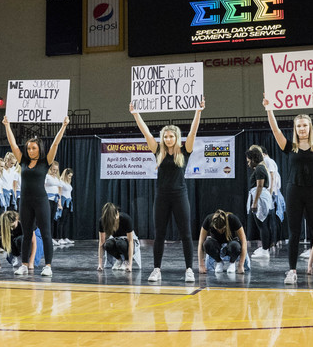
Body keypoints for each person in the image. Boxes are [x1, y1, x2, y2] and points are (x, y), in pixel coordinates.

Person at [263, 91, 313, 285]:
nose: (302, 128)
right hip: (294, 191)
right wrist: (269, 109)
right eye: (299, 126)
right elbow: (276, 130)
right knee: (294, 233)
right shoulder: (290, 146)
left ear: (310, 127)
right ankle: (292, 271)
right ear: (295, 129)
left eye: (305, 125)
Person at [130, 96, 204, 283]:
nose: (168, 139)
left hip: (180, 195)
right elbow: (146, 132)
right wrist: (136, 114)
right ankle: (156, 269)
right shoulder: (158, 151)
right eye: (165, 136)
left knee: (186, 234)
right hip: (162, 196)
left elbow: (193, 131)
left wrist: (198, 112)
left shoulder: (184, 150)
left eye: (171, 136)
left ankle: (189, 269)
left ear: (176, 137)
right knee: (159, 234)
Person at [2, 114, 70, 277]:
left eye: (33, 148)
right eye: (28, 148)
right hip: (25, 202)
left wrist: (63, 126)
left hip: (41, 201)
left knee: (46, 234)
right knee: (26, 235)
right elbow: (12, 144)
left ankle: (48, 266)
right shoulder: (23, 161)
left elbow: (55, 143)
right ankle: (24, 265)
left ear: (39, 148)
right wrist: (7, 125)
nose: (30, 150)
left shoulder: (45, 162)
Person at [198, 209, 248, 275]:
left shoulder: (233, 219)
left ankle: (232, 262)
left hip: (231, 246)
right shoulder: (208, 219)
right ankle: (219, 262)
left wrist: (241, 265)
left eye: (222, 230)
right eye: (217, 230)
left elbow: (244, 241)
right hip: (217, 245)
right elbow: (200, 242)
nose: (220, 232)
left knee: (235, 246)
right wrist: (201, 265)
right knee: (206, 244)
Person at [246, 148, 273, 259]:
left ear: (253, 159)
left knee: (262, 225)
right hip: (261, 196)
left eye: (249, 161)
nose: (248, 164)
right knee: (262, 224)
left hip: (260, 198)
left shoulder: (259, 169)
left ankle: (265, 250)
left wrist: (255, 202)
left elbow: (260, 186)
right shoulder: (261, 168)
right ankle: (265, 248)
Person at [97, 203, 136, 271]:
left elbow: (131, 241)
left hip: (127, 242)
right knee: (107, 245)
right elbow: (101, 243)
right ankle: (119, 260)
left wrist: (130, 265)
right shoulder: (102, 221)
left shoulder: (125, 219)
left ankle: (126, 260)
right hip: (116, 240)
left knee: (119, 243)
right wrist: (100, 265)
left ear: (117, 213)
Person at [45, 161, 64, 246]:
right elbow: (42, 187)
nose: (55, 171)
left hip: (55, 200)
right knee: (47, 219)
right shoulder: (47, 176)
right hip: (48, 200)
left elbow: (59, 191)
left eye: (56, 170)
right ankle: (46, 238)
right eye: (53, 169)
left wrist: (59, 203)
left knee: (52, 219)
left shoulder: (57, 178)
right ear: (50, 169)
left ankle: (51, 238)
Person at [58, 168, 74, 245]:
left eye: (71, 176)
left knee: (66, 221)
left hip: (68, 202)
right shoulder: (61, 182)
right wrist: (59, 204)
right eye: (69, 176)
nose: (70, 177)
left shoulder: (68, 183)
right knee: (61, 221)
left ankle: (65, 237)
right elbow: (59, 193)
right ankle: (60, 238)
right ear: (65, 175)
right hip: (63, 202)